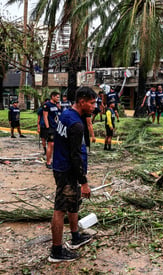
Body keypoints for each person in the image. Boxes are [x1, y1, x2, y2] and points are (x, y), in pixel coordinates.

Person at [48, 86, 96, 263]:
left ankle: (76, 237)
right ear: (81, 101)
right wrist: (84, 182)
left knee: (73, 201)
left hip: (63, 166)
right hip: (67, 170)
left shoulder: (67, 114)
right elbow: (74, 156)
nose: (94, 106)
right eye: (91, 103)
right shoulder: (75, 125)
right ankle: (57, 251)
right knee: (60, 209)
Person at [43, 92, 60, 169]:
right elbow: (45, 117)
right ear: (52, 97)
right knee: (50, 144)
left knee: (56, 145)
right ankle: (48, 161)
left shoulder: (55, 105)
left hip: (56, 127)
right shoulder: (47, 105)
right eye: (57, 97)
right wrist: (48, 127)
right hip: (51, 128)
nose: (58, 98)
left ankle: (53, 160)